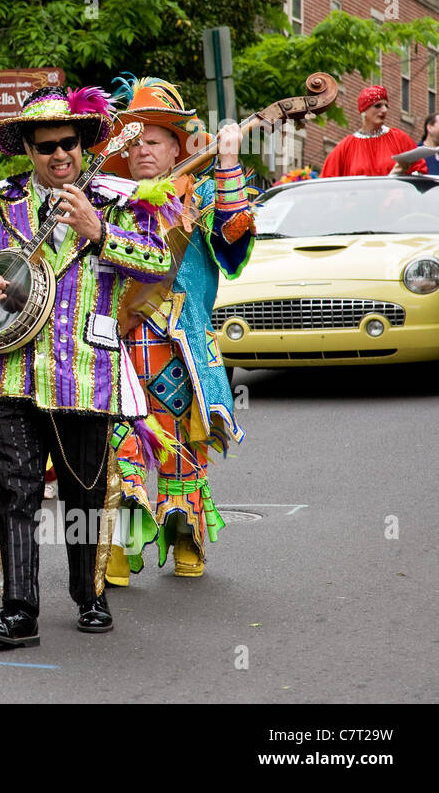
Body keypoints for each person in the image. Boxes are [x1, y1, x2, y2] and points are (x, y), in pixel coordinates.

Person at [0, 86, 171, 648]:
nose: (58, 155)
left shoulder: (121, 201)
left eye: (68, 143)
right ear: (29, 151)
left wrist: (100, 232)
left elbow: (160, 263)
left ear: (84, 143)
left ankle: (89, 594)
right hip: (9, 374)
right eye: (45, 147)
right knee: (14, 487)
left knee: (82, 492)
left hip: (86, 373)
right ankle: (19, 610)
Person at [100, 76, 250, 584]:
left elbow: (234, 241)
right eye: (134, 140)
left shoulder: (203, 195)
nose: (142, 149)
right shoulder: (109, 200)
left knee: (182, 446)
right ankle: (117, 548)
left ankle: (185, 534)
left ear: (177, 147)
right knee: (116, 445)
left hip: (179, 345)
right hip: (113, 345)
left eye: (154, 140)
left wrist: (228, 164)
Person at [320, 86, 425, 177]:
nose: (384, 110)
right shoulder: (346, 146)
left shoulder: (399, 138)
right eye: (378, 106)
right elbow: (327, 180)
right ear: (364, 110)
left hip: (395, 200)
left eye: (386, 106)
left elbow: (420, 170)